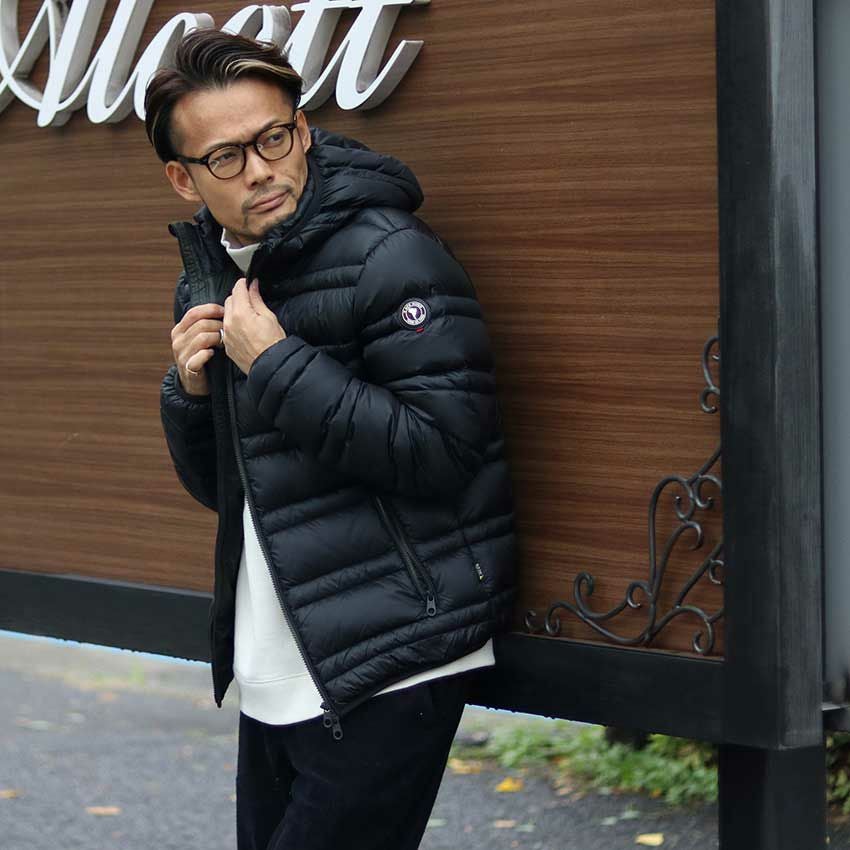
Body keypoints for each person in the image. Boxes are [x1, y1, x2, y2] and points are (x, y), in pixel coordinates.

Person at [145, 27, 518, 850]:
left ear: (304, 129)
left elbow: (443, 451)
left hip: (394, 652)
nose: (260, 170)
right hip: (279, 661)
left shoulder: (392, 253)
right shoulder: (213, 277)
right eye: (226, 157)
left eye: (274, 138)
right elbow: (232, 490)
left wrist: (276, 365)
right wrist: (192, 391)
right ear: (182, 177)